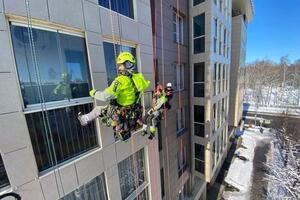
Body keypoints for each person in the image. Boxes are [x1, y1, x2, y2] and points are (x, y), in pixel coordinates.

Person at [77, 52, 150, 141]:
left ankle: (84, 120)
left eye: (121, 65)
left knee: (98, 109)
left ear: (127, 64)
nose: (119, 68)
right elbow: (138, 88)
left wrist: (94, 93)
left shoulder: (120, 80)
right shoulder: (138, 77)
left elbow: (105, 96)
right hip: (132, 109)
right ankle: (123, 128)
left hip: (122, 110)